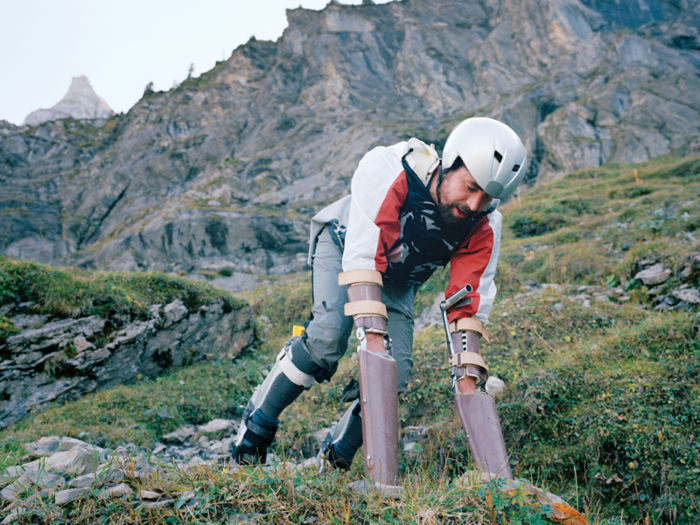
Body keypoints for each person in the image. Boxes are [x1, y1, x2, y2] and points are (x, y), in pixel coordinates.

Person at [231, 117, 528, 485]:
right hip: (347, 248)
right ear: (449, 163)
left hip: (398, 279)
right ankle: (254, 431)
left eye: (486, 197)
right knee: (326, 338)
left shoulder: (485, 224)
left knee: (395, 374)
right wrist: (372, 338)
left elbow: (465, 304)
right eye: (470, 187)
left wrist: (468, 377)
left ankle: (334, 460)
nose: (473, 204)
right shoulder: (391, 167)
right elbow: (364, 257)